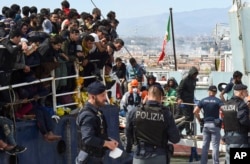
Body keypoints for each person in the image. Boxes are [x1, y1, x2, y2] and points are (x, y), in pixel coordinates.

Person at [126, 84, 180, 163]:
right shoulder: (166, 113)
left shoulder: (135, 111)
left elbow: (128, 132)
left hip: (140, 156)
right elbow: (175, 139)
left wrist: (128, 148)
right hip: (159, 156)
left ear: (147, 95)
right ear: (161, 97)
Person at [76, 81, 119, 164]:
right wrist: (106, 143)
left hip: (96, 158)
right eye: (102, 95)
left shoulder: (97, 112)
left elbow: (98, 133)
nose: (105, 98)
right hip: (89, 159)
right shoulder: (87, 115)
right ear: (93, 97)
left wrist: (109, 141)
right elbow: (88, 138)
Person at [193, 85, 223, 164]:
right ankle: (215, 162)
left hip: (206, 125)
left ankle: (203, 162)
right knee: (215, 146)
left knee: (205, 146)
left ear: (209, 91)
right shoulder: (218, 101)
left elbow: (195, 111)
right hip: (215, 125)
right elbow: (224, 110)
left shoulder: (203, 100)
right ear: (215, 92)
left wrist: (199, 120)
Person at [221, 84, 250, 164]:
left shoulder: (226, 104)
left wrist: (224, 137)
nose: (247, 94)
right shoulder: (241, 105)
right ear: (241, 93)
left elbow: (225, 121)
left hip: (229, 139)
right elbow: (243, 120)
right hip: (240, 139)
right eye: (246, 92)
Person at [176, 66, 199, 137]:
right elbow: (179, 89)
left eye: (196, 74)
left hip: (190, 101)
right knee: (187, 117)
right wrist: (179, 98)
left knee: (191, 118)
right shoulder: (185, 80)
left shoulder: (194, 80)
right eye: (194, 74)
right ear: (191, 73)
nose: (195, 76)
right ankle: (187, 131)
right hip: (184, 101)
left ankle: (179, 130)